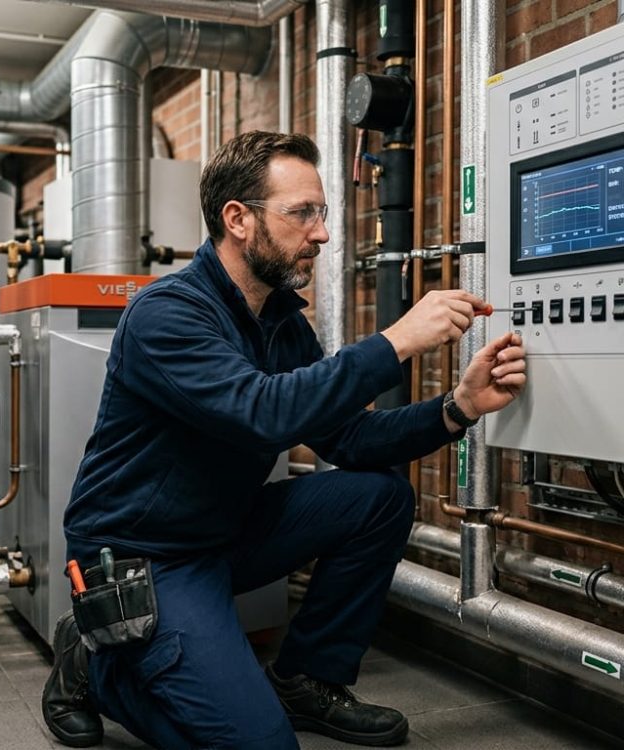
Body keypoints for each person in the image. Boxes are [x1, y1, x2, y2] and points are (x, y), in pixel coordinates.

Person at [41, 130, 526, 749]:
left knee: (378, 497)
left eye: (320, 213)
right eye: (302, 213)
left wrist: (457, 409)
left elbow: (347, 439)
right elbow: (260, 413)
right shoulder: (167, 314)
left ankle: (307, 680)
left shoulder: (280, 324)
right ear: (237, 219)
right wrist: (396, 341)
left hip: (224, 529)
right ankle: (96, 663)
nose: (321, 234)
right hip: (144, 554)